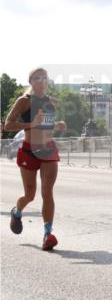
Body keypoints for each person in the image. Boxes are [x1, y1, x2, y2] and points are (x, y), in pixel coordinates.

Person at [3, 68, 67, 250]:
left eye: (44, 78)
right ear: (31, 81)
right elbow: (8, 124)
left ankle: (48, 234)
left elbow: (45, 126)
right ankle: (17, 212)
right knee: (29, 195)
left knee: (47, 192)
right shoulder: (24, 101)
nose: (41, 81)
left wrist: (57, 125)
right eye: (37, 78)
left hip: (48, 150)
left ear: (47, 82)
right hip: (29, 151)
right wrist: (29, 125)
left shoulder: (52, 102)